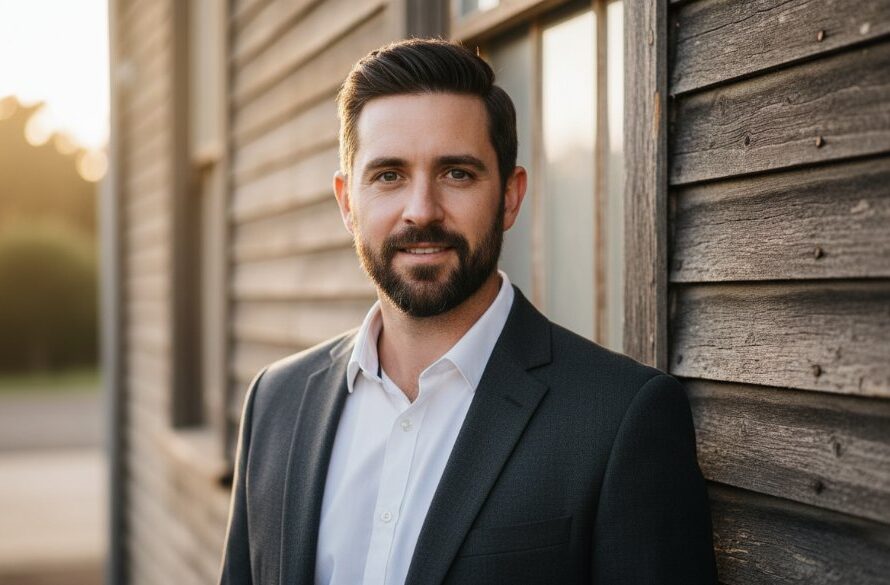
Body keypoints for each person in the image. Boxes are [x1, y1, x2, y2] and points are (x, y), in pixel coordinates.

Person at [219, 38, 717, 585]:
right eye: (389, 175)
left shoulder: (621, 418)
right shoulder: (276, 400)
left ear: (509, 195)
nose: (421, 210)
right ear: (346, 203)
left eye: (456, 173)